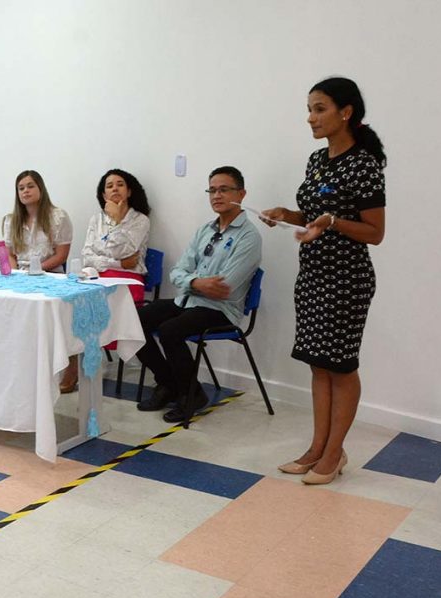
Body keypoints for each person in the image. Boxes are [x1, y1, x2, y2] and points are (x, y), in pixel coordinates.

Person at [263, 77, 386, 485]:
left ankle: (334, 453)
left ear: (345, 112)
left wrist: (333, 222)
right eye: (309, 109)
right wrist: (287, 215)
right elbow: (312, 215)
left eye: (320, 109)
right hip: (313, 276)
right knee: (319, 365)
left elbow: (375, 232)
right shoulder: (317, 160)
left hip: (347, 279)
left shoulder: (364, 164)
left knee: (341, 366)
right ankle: (318, 447)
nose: (311, 118)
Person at [135, 166, 262, 422]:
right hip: (189, 300)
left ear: (241, 194)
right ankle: (168, 383)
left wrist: (191, 281)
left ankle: (192, 395)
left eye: (224, 189)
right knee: (134, 321)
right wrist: (196, 282)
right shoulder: (205, 230)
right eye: (212, 190)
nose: (217, 195)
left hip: (220, 309)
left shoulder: (249, 237)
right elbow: (177, 271)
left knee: (170, 330)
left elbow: (224, 287)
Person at [59, 169, 152, 393]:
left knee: (91, 307)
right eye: (109, 186)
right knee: (72, 304)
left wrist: (117, 220)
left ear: (129, 191)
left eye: (120, 184)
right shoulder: (96, 219)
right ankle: (75, 365)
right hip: (97, 276)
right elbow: (88, 255)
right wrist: (118, 262)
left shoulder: (141, 220)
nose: (115, 189)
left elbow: (127, 250)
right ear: (103, 195)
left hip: (128, 281)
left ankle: (85, 365)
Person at [2, 170, 73, 272]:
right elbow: (10, 255)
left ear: (41, 189)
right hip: (21, 274)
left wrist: (34, 270)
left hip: (49, 274)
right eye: (21, 188)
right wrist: (16, 274)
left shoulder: (58, 216)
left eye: (30, 186)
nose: (25, 191)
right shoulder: (10, 221)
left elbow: (61, 256)